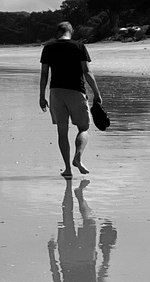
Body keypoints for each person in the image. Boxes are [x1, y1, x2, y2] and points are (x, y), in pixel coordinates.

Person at [38, 20, 102, 177]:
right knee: (84, 128)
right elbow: (87, 72)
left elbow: (44, 74)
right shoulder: (79, 47)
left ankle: (67, 169)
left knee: (62, 131)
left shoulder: (48, 48)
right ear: (71, 31)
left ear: (58, 32)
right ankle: (78, 156)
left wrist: (41, 96)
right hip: (75, 91)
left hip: (56, 92)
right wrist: (97, 92)